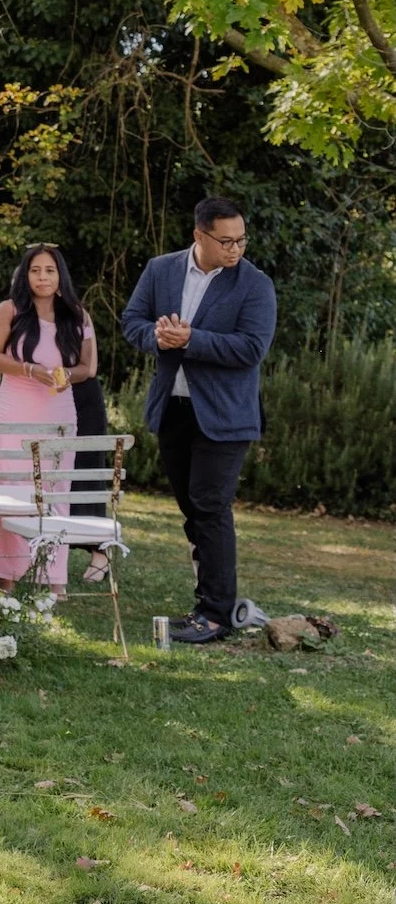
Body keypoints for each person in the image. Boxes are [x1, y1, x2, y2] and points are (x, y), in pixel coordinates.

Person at [121, 196, 276, 645]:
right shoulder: (161, 269)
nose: (235, 249)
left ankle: (216, 614)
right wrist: (156, 336)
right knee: (194, 510)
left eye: (241, 240)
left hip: (226, 417)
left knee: (210, 507)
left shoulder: (255, 285)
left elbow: (250, 349)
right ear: (199, 235)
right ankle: (212, 599)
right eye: (226, 240)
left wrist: (189, 340)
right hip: (174, 409)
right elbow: (132, 320)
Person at [0, 244, 97, 595]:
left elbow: (88, 367)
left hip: (58, 413)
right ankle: (7, 575)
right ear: (25, 275)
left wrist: (64, 375)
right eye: (35, 270)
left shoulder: (77, 315)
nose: (42, 277)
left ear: (60, 275)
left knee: (55, 493)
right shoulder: (11, 310)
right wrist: (30, 369)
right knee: (11, 492)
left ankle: (53, 577)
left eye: (49, 270)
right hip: (14, 410)